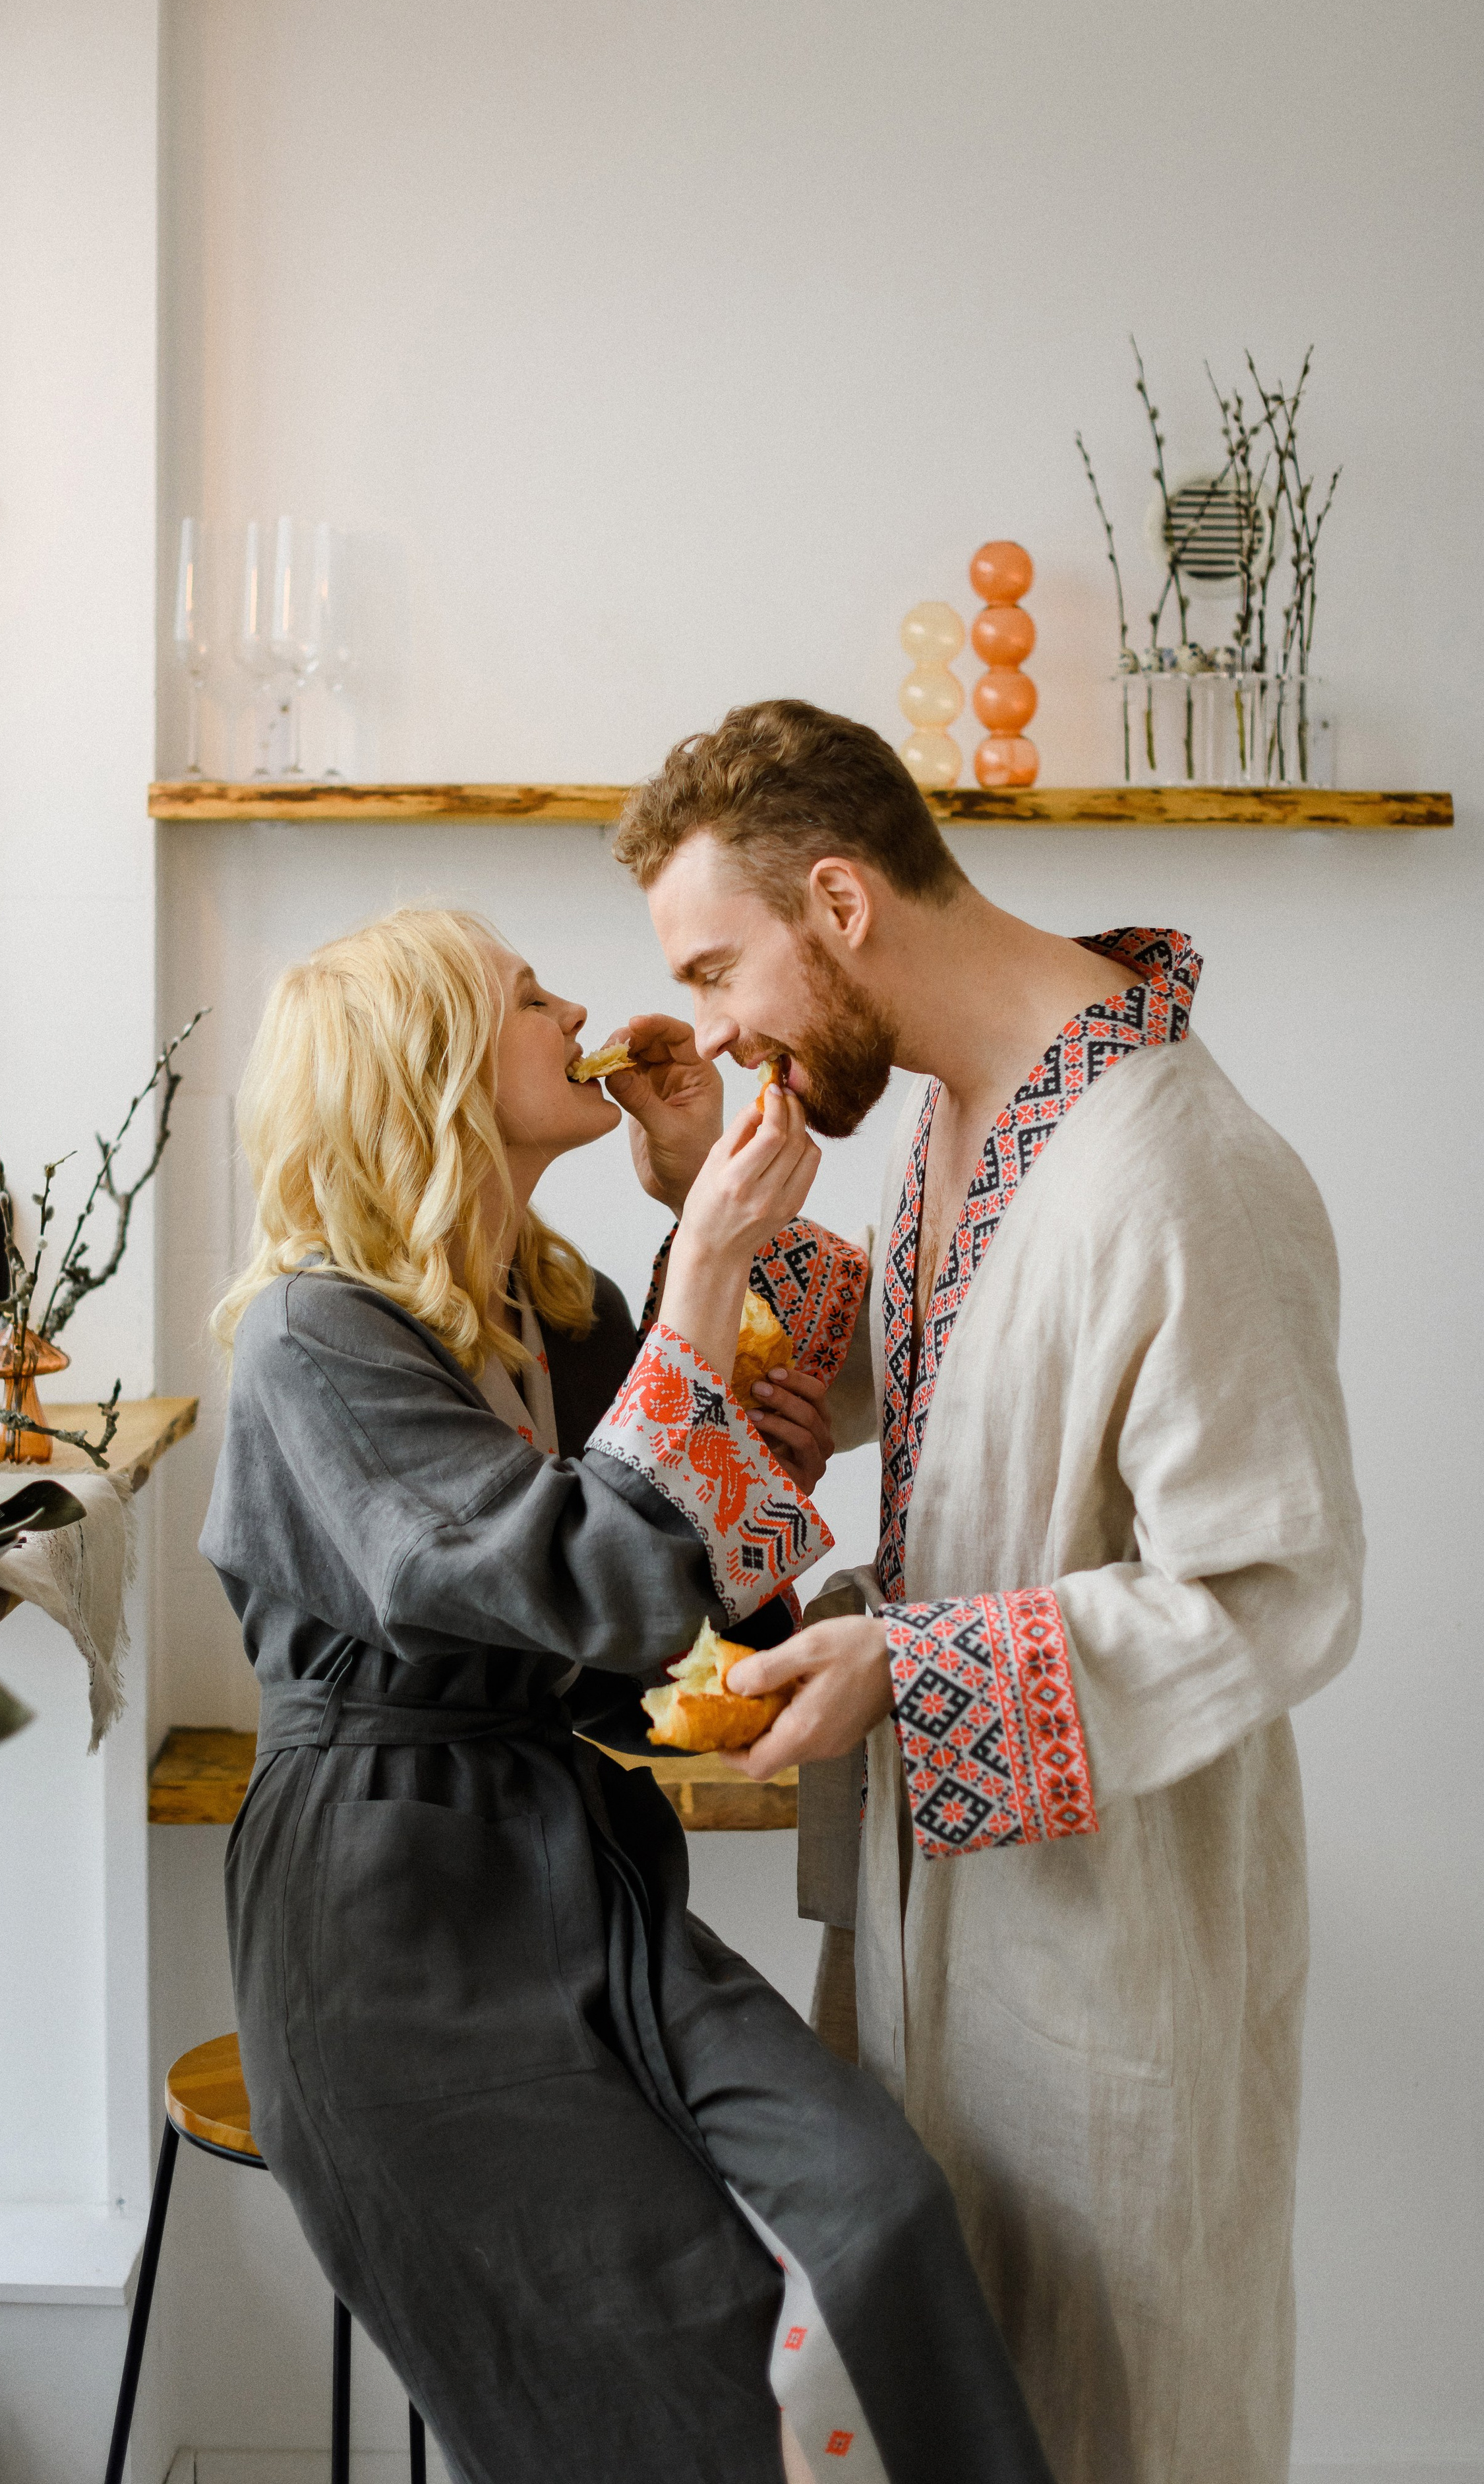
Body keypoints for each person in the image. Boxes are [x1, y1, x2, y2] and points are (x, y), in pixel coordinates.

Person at [200, 908, 1055, 2484]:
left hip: (571, 1863)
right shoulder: (310, 1340)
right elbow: (568, 1572)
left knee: (875, 2203)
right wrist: (711, 1269)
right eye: (529, 994)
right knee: (665, 2348)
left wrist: (691, 1197)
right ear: (434, 1066)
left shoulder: (554, 1300)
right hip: (387, 1918)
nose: (582, 1004)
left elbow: (692, 1575)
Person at [611, 700, 1365, 2484]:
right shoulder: (963, 1117)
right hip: (942, 1927)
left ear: (844, 902)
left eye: (722, 967)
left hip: (1115, 1952)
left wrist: (913, 1668)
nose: (715, 1021)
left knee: (1114, 2420)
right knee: (943, 2406)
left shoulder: (1188, 1169)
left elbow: (1279, 1585)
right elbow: (962, 1362)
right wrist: (705, 1202)